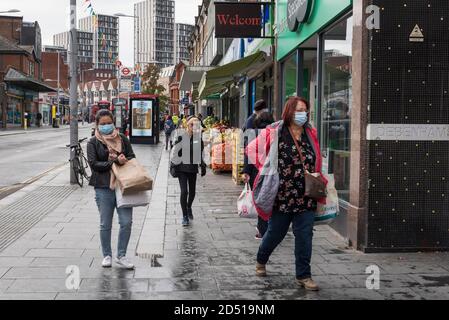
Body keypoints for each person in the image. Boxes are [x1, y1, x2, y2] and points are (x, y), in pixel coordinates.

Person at [246, 97, 326, 291]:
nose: (303, 114)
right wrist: (266, 169)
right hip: (282, 195)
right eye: (299, 110)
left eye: (305, 110)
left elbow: (316, 158)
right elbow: (251, 149)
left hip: (306, 194)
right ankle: (261, 259)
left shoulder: (310, 132)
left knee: (305, 235)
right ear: (289, 111)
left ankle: (304, 276)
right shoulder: (276, 131)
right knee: (275, 233)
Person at [87, 109, 137, 270]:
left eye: (109, 123)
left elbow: (132, 156)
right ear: (97, 125)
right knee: (105, 224)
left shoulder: (122, 138)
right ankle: (107, 255)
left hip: (123, 185)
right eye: (103, 124)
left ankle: (121, 255)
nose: (106, 126)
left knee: (126, 222)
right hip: (103, 187)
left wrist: (124, 159)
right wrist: (112, 163)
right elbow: (94, 164)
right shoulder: (93, 142)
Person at [242, 109, 275, 240]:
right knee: (272, 200)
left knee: (261, 200)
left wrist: (246, 171)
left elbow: (248, 153)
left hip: (257, 171)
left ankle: (262, 230)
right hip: (273, 172)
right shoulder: (275, 133)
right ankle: (272, 227)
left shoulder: (252, 133)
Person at [171, 116, 206, 226]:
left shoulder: (198, 138)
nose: (194, 127)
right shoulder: (181, 136)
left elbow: (200, 153)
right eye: (192, 124)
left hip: (192, 168)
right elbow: (175, 151)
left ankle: (189, 206)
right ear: (188, 125)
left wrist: (203, 165)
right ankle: (184, 216)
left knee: (192, 192)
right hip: (181, 168)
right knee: (184, 191)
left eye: (196, 125)